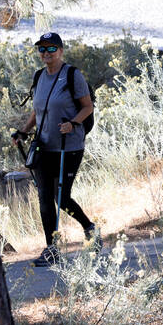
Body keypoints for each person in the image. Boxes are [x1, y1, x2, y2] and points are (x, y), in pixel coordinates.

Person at [11, 32, 98, 266]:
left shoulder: (72, 75)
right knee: (45, 198)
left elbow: (87, 107)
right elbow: (38, 110)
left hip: (68, 146)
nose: (46, 53)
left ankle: (90, 228)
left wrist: (73, 123)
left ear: (60, 51)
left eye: (51, 49)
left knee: (62, 196)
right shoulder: (39, 76)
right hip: (44, 146)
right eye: (42, 49)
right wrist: (24, 131)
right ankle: (51, 249)